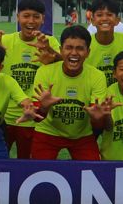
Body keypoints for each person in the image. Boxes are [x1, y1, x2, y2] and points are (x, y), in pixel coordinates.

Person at [0, 0, 59, 158]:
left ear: (43, 19)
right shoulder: (5, 40)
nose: (31, 21)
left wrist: (52, 53)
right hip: (4, 115)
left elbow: (65, 64)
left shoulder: (49, 42)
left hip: (34, 115)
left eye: (36, 16)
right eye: (26, 16)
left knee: (27, 163)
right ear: (18, 17)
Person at [30, 25, 108, 160]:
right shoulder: (45, 71)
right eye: (69, 48)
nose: (74, 53)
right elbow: (37, 118)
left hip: (82, 135)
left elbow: (98, 124)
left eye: (80, 48)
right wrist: (43, 107)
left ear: (88, 52)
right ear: (61, 50)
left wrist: (97, 118)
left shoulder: (97, 76)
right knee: (38, 170)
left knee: (93, 172)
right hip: (48, 131)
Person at [84, 0, 123, 86]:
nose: (104, 18)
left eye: (109, 15)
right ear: (92, 20)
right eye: (99, 15)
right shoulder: (85, 44)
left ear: (117, 20)